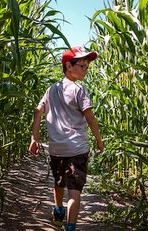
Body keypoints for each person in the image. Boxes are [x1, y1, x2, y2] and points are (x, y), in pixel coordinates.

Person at [29, 46, 104, 231]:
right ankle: (70, 226)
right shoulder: (80, 91)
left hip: (56, 149)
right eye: (82, 66)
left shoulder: (51, 90)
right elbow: (90, 118)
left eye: (87, 66)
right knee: (74, 190)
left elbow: (38, 112)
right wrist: (99, 141)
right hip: (77, 149)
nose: (86, 70)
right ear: (69, 66)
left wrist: (34, 138)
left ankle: (58, 212)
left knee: (59, 181)